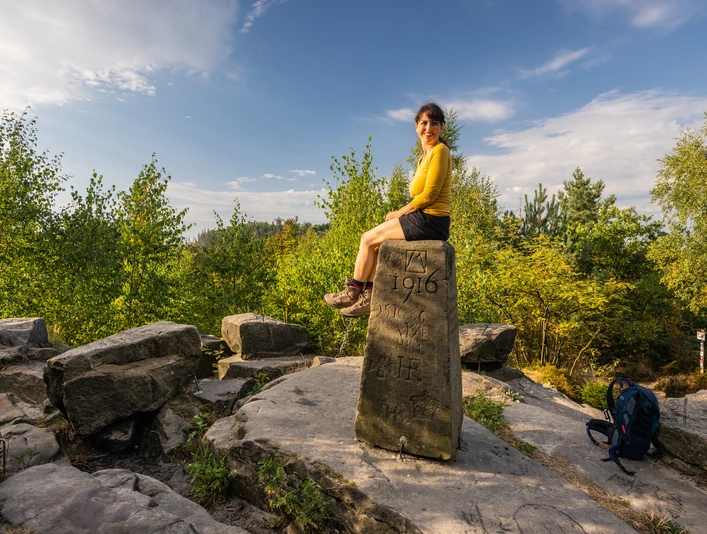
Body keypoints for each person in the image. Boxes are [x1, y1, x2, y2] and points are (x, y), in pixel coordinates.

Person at [324, 102, 452, 317]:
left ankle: (352, 292)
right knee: (375, 244)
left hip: (432, 220)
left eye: (434, 123)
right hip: (424, 217)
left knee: (367, 238)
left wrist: (399, 212)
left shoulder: (440, 151)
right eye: (424, 123)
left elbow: (430, 195)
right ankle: (368, 297)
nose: (428, 128)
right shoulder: (424, 157)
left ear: (442, 128)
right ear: (416, 127)